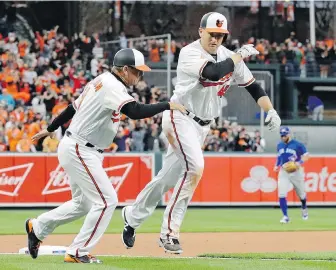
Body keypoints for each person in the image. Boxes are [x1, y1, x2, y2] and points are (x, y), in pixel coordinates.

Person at [121, 12, 281, 254]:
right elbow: (214, 73)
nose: (215, 39)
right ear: (200, 32)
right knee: (195, 168)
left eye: (220, 35)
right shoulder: (190, 52)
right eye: (211, 34)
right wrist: (239, 56)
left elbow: (253, 86)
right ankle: (169, 233)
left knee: (166, 179)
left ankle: (132, 216)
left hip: (203, 126)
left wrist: (270, 110)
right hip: (180, 117)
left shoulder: (229, 57)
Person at [25, 48, 186, 264]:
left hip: (81, 148)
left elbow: (73, 108)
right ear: (126, 70)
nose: (140, 77)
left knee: (82, 204)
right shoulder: (112, 85)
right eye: (138, 72)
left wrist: (51, 127)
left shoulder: (101, 80)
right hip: (81, 149)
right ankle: (78, 251)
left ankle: (38, 227)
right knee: (107, 200)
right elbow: (135, 112)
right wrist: (167, 105)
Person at [274, 126, 309, 224]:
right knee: (281, 194)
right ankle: (285, 216)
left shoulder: (297, 144)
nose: (283, 137)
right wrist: (276, 165)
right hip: (284, 171)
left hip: (296, 171)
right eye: (282, 135)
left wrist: (299, 162)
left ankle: (304, 207)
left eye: (284, 135)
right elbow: (279, 157)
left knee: (302, 195)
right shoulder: (279, 145)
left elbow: (307, 156)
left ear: (289, 134)